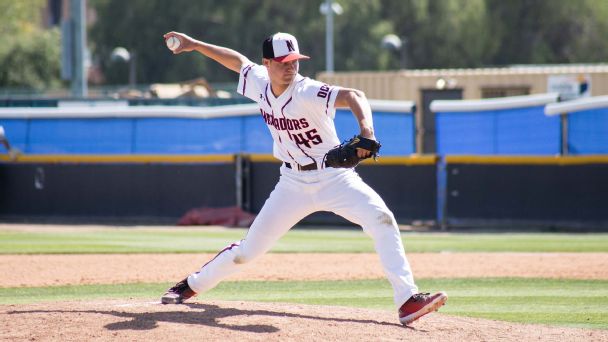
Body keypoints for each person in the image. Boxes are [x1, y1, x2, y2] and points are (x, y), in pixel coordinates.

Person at [160, 31, 447, 325]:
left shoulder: (308, 90)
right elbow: (236, 61)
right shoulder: (259, 82)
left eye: (294, 60)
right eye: (283, 61)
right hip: (292, 184)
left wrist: (367, 132)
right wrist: (195, 45)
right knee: (248, 252)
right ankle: (190, 285)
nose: (291, 67)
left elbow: (354, 96)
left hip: (335, 177)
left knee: (382, 219)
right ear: (267, 63)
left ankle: (407, 300)